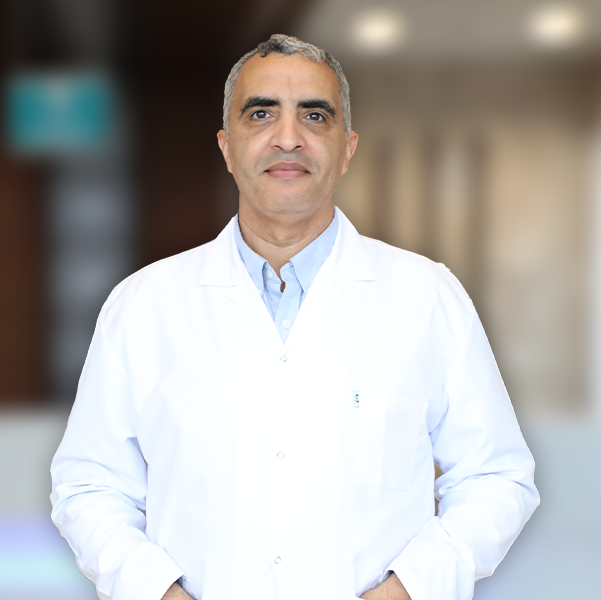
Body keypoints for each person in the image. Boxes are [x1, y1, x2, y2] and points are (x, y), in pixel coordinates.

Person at [49, 34, 538, 600]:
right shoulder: (143, 306)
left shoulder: (427, 297)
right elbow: (88, 486)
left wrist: (406, 589)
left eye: (314, 115)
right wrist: (158, 592)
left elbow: (496, 478)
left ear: (347, 148)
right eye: (261, 114)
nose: (288, 138)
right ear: (226, 146)